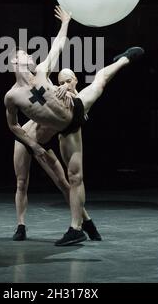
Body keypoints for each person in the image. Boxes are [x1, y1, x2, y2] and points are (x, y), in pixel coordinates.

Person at [5, 6, 144, 245]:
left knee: (100, 81)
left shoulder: (41, 72)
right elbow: (13, 125)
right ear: (14, 61)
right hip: (63, 130)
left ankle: (123, 59)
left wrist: (66, 23)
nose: (30, 56)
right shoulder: (12, 96)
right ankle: (77, 227)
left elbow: (58, 45)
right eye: (25, 54)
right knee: (72, 178)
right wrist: (32, 145)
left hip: (75, 111)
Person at [12, 68, 101, 244]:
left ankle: (88, 222)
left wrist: (71, 92)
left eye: (68, 82)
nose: (64, 85)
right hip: (26, 139)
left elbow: (79, 107)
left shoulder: (73, 101)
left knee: (63, 183)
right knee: (21, 183)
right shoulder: (45, 90)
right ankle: (20, 226)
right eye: (62, 82)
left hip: (44, 144)